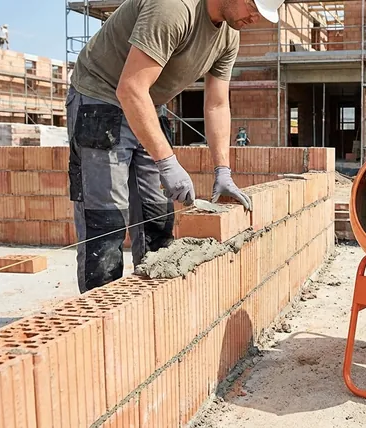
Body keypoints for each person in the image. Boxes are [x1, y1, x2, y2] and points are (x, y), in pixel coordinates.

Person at [66, 0, 282, 293]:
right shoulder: (174, 8)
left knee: (157, 216)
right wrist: (167, 162)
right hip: (100, 97)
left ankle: (150, 305)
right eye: (253, 7)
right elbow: (130, 88)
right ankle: (102, 312)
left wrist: (223, 170)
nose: (256, 18)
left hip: (147, 103)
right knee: (106, 220)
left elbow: (217, 104)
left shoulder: (230, 34)